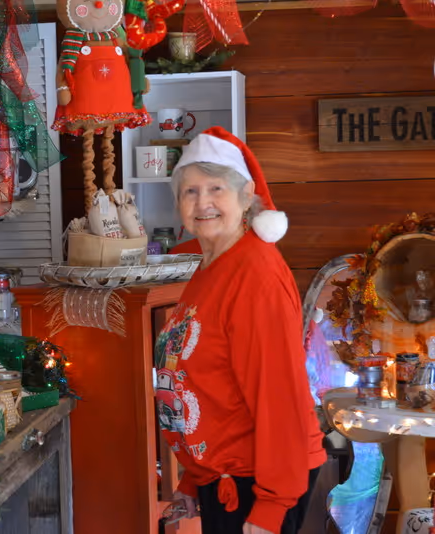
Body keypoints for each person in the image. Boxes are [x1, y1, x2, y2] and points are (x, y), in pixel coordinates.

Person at [154, 127, 326, 534]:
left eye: (216, 188)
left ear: (246, 196)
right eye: (190, 191)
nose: (203, 202)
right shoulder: (210, 264)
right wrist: (194, 478)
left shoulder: (255, 274)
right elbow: (205, 377)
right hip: (226, 472)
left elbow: (277, 393)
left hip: (261, 478)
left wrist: (271, 505)